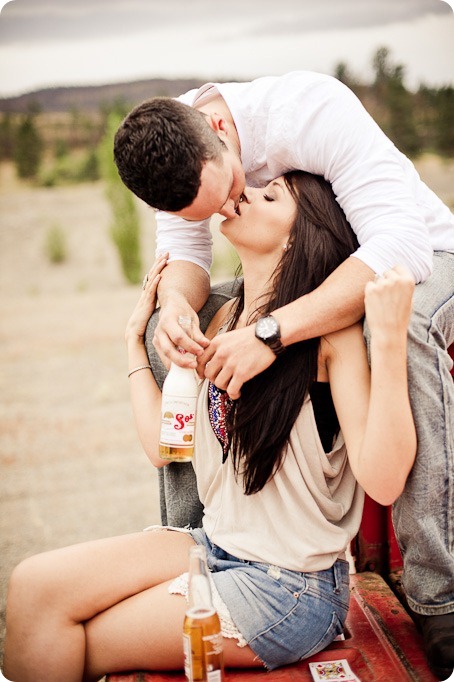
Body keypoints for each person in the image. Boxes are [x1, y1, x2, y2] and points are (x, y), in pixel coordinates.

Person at [3, 171, 416, 681]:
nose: (246, 193)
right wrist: (135, 342)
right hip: (214, 546)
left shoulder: (331, 339)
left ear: (302, 234)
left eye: (271, 196)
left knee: (76, 636)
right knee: (33, 585)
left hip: (290, 586)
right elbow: (166, 446)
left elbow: (384, 479)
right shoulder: (224, 322)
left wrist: (393, 338)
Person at [113, 72, 454, 678]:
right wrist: (175, 310)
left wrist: (271, 334)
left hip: (421, 255)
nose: (224, 211)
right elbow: (187, 262)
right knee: (172, 335)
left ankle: (437, 590)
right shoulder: (181, 153)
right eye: (206, 212)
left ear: (222, 133)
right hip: (312, 264)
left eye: (231, 194)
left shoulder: (311, 111)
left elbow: (399, 246)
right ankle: (200, 531)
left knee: (395, 327)